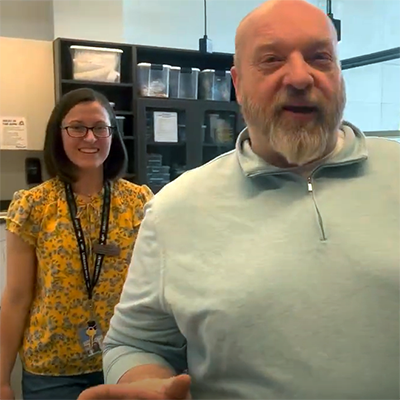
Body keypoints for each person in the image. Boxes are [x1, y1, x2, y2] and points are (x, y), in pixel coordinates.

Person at [81, 0, 400, 399]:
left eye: (320, 58)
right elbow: (135, 343)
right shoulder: (175, 209)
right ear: (237, 84)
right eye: (271, 59)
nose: (300, 77)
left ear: (339, 74)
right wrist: (147, 383)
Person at [0, 88, 153, 400]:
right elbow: (16, 298)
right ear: (59, 134)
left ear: (113, 134)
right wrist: (2, 379)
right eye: (77, 128)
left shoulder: (140, 203)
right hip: (52, 369)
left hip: (123, 361)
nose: (90, 138)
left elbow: (153, 289)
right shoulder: (32, 206)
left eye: (100, 127)